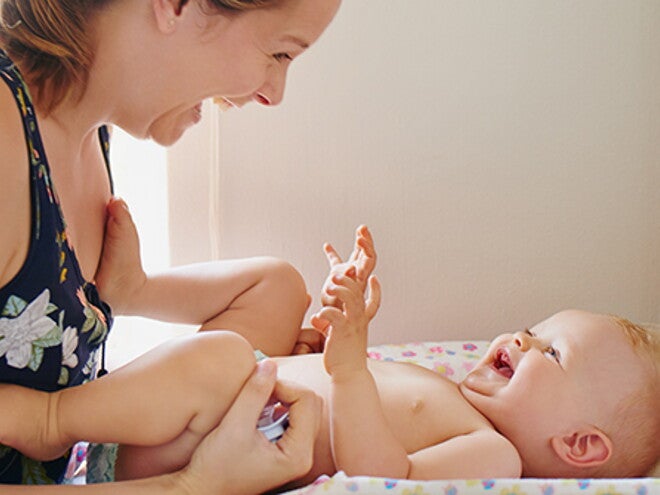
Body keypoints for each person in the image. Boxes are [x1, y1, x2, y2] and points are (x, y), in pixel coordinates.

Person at [4, 226, 657, 491]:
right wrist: (316, 343)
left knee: (225, 357)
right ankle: (135, 291)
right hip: (223, 396)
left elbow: (383, 475)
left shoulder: (495, 455)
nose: (520, 339)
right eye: (530, 328)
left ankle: (51, 419)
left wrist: (346, 366)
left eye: (551, 352)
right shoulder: (454, 392)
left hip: (195, 439)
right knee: (278, 282)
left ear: (579, 444)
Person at [0, 0, 341, 491]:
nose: (273, 94)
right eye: (280, 54)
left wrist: (130, 291)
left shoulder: (83, 126)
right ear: (175, 5)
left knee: (278, 288)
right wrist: (191, 485)